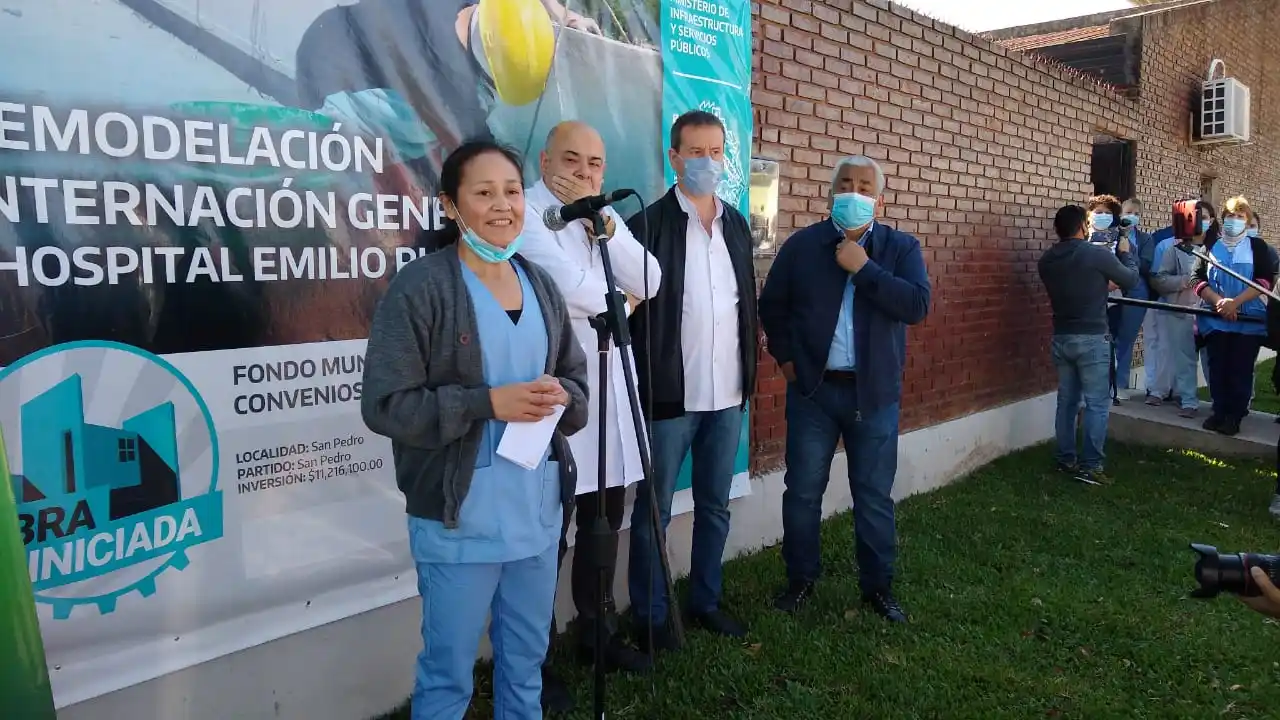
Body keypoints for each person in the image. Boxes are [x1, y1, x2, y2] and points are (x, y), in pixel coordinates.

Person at [360, 140, 590, 720]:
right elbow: (385, 405)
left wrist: (565, 397)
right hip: (459, 522)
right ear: (449, 205)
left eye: (511, 191)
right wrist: (487, 403)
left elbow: (575, 380)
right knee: (447, 675)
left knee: (526, 664)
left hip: (535, 518)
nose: (502, 205)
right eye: (483, 193)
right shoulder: (422, 289)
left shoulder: (539, 284)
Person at [518, 121, 660, 702]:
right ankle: (536, 654)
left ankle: (596, 630)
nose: (583, 172)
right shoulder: (526, 211)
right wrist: (618, 298)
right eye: (571, 159)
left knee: (602, 520)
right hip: (554, 395)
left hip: (608, 394)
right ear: (545, 157)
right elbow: (572, 288)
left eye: (595, 164)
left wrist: (607, 230)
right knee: (546, 533)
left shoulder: (600, 214)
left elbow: (648, 277)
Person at [757, 156, 931, 621]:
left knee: (873, 495)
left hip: (873, 395)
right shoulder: (803, 246)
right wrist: (789, 361)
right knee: (802, 491)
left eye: (865, 186)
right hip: (814, 391)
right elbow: (773, 306)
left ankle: (878, 587)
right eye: (846, 184)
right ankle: (800, 580)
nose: (855, 192)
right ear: (831, 192)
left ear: (880, 198)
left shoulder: (900, 247)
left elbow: (916, 305)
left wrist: (865, 268)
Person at [625, 110, 759, 652]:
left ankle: (706, 601)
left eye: (717, 151)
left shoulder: (735, 224)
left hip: (727, 397)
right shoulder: (648, 226)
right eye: (696, 152)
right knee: (652, 511)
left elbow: (742, 304)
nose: (708, 162)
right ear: (674, 157)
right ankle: (652, 616)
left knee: (715, 505)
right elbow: (631, 313)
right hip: (668, 399)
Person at [1039, 204, 1139, 484]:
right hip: (1093, 338)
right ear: (1084, 226)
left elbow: (1083, 284)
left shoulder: (1047, 260)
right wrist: (1125, 254)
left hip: (1061, 336)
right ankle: (1091, 465)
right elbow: (1130, 279)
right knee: (1097, 403)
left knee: (1067, 402)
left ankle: (1064, 459)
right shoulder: (1095, 255)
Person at [1192, 196, 1277, 437]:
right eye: (1230, 216)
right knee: (1217, 367)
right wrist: (1218, 301)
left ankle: (1234, 416)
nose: (1234, 220)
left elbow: (1264, 281)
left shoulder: (1257, 247)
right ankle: (1218, 411)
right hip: (1216, 317)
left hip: (1248, 319)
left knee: (1239, 369)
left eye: (1240, 217)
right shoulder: (1211, 246)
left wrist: (1236, 303)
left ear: (1247, 221)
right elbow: (1196, 278)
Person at [1151, 201, 1216, 419]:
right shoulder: (1175, 250)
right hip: (1182, 311)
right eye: (1197, 217)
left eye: (1205, 217)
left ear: (1212, 221)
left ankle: (1219, 402)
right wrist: (1185, 281)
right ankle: (1189, 401)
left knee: (1212, 361)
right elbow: (1160, 280)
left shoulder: (1217, 249)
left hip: (1210, 313)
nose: (1201, 221)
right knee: (1184, 359)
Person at [1112, 199, 1155, 400]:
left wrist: (1129, 248)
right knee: (1109, 336)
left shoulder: (1145, 239)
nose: (1132, 216)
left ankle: (1120, 385)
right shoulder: (1110, 233)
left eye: (1136, 213)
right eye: (1128, 211)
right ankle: (1104, 384)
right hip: (1112, 288)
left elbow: (1145, 266)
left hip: (1136, 290)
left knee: (1126, 338)